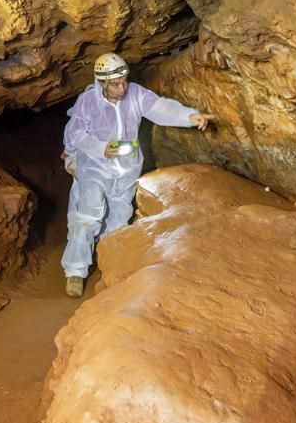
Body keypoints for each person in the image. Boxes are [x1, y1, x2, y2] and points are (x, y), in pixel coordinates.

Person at [61, 53, 214, 297]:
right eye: (115, 84)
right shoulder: (88, 101)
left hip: (126, 166)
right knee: (88, 216)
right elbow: (75, 134)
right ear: (101, 82)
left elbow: (160, 108)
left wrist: (189, 116)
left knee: (119, 216)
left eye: (124, 81)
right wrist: (100, 148)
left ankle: (107, 260)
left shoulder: (135, 94)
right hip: (94, 165)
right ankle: (75, 272)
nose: (122, 88)